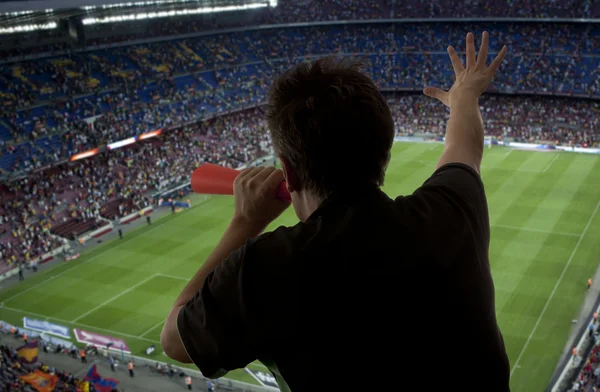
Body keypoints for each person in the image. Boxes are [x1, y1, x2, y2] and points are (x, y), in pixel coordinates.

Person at [161, 32, 510, 391]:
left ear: (288, 171)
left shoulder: (267, 266)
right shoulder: (452, 209)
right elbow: (464, 144)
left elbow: (174, 338)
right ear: (385, 151)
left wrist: (244, 222)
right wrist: (465, 93)